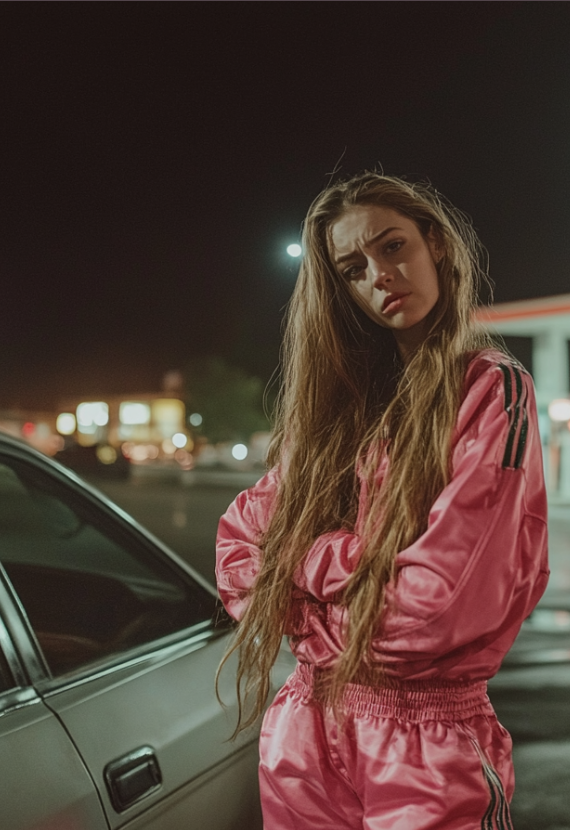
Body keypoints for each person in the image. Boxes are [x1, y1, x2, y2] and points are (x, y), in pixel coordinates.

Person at [216, 171, 549, 829]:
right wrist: (363, 566)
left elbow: (434, 615)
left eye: (393, 247)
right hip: (303, 732)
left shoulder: (491, 391)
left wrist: (305, 570)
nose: (380, 275)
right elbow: (239, 552)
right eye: (353, 268)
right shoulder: (335, 411)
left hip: (424, 744)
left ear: (436, 243)